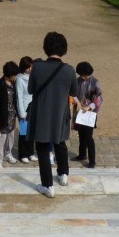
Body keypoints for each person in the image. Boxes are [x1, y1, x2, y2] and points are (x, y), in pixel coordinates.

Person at [26, 31, 78, 198]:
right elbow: (74, 92)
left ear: (46, 48)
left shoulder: (37, 67)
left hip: (41, 113)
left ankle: (47, 185)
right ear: (64, 49)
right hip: (60, 113)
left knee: (42, 148)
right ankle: (63, 174)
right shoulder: (69, 70)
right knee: (60, 143)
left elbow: (30, 90)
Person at [71, 61, 103, 168]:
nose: (84, 77)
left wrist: (89, 106)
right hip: (79, 111)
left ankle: (92, 161)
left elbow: (99, 98)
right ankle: (82, 154)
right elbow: (73, 93)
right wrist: (78, 103)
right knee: (81, 134)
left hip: (90, 113)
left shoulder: (95, 82)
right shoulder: (77, 81)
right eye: (82, 75)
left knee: (88, 137)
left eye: (86, 75)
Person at [0, 61, 20, 168]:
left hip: (12, 115)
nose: (15, 77)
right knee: (1, 139)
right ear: (9, 74)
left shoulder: (13, 83)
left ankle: (8, 153)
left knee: (11, 136)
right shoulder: (0, 84)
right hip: (3, 117)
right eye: (14, 75)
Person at [15, 56, 36, 163]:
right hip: (24, 108)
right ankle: (23, 154)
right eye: (28, 67)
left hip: (33, 108)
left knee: (32, 132)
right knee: (23, 133)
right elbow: (19, 97)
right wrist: (22, 113)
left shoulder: (33, 76)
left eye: (31, 66)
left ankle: (31, 153)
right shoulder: (19, 79)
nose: (30, 69)